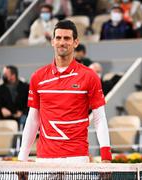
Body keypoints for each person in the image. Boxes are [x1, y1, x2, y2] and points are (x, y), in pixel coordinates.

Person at [18, 20, 112, 163]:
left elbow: (99, 118)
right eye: (58, 38)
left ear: (75, 42)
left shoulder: (90, 76)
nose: (62, 42)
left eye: (67, 38)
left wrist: (106, 156)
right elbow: (33, 119)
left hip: (77, 158)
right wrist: (22, 158)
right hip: (45, 159)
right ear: (52, 41)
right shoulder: (38, 77)